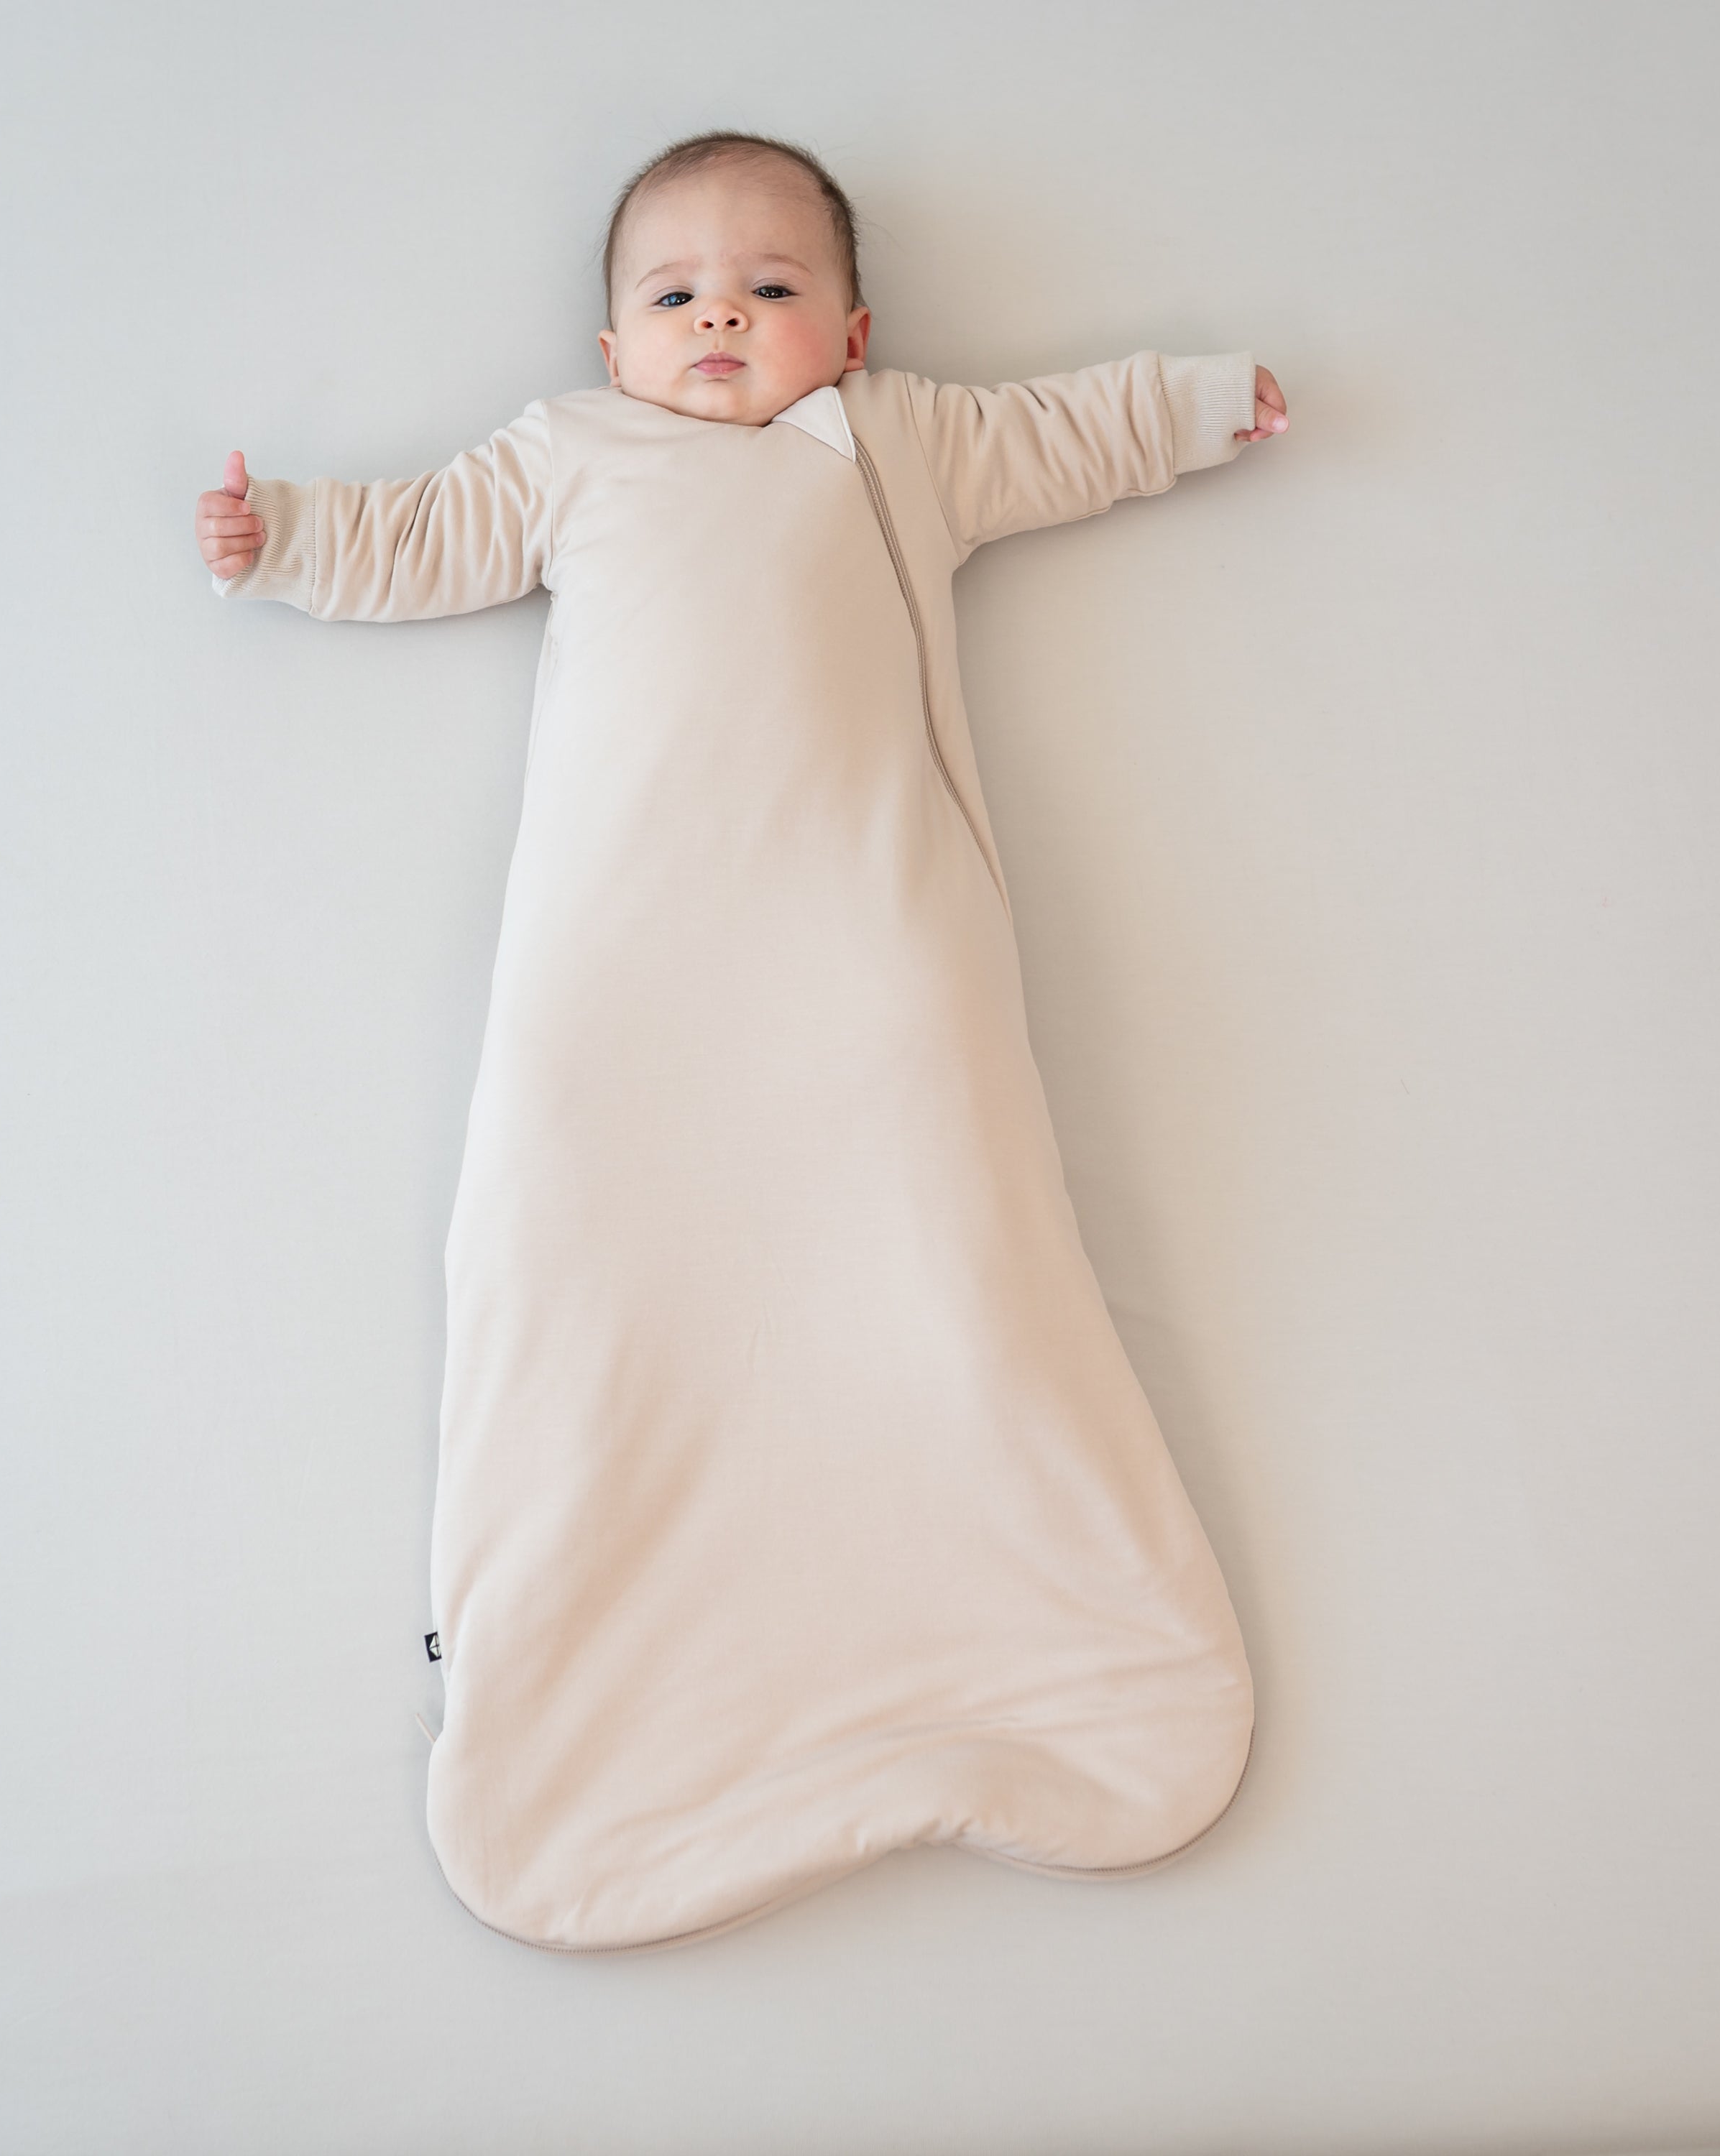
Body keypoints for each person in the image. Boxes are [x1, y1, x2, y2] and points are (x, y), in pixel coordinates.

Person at [194, 130, 1289, 1955]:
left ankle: (1013, 1633)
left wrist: (1190, 405)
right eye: (675, 292)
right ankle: (601, 1690)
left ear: (849, 333)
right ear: (615, 348)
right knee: (564, 1229)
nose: (723, 315)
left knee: (948, 1214)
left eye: (772, 290)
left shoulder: (898, 448)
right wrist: (287, 536)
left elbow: (1064, 435)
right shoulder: (575, 455)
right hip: (618, 970)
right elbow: (425, 536)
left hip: (873, 946)